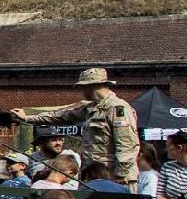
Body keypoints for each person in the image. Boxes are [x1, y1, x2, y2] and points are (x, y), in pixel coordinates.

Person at [11, 68, 140, 185]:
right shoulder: (92, 108)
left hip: (114, 176)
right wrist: (27, 117)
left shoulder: (117, 108)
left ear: (92, 86)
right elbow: (61, 116)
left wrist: (121, 173)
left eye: (83, 87)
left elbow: (127, 144)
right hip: (94, 173)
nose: (82, 91)